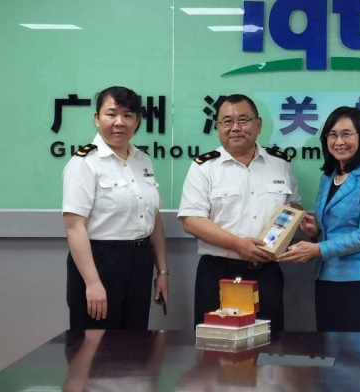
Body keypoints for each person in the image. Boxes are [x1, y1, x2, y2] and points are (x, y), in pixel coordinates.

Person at [178, 94, 300, 333]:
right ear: (217, 127)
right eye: (227, 121)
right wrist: (237, 244)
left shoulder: (281, 163)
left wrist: (297, 222)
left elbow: (293, 206)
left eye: (243, 120)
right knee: (217, 344)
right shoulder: (204, 167)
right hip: (219, 273)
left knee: (270, 343)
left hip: (267, 272)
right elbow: (191, 221)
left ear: (258, 124)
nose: (235, 127)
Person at [62, 86, 169, 330]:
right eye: (111, 114)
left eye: (128, 115)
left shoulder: (143, 160)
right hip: (100, 262)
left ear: (138, 120)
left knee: (135, 340)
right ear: (97, 118)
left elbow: (153, 218)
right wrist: (92, 283)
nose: (119, 122)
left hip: (140, 262)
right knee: (95, 343)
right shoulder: (84, 163)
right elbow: (74, 227)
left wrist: (162, 271)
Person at [279, 107, 360, 332]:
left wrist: (317, 249)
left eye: (346, 134)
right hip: (326, 275)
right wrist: (315, 232)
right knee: (328, 347)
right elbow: (330, 228)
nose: (339, 141)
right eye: (332, 135)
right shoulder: (328, 177)